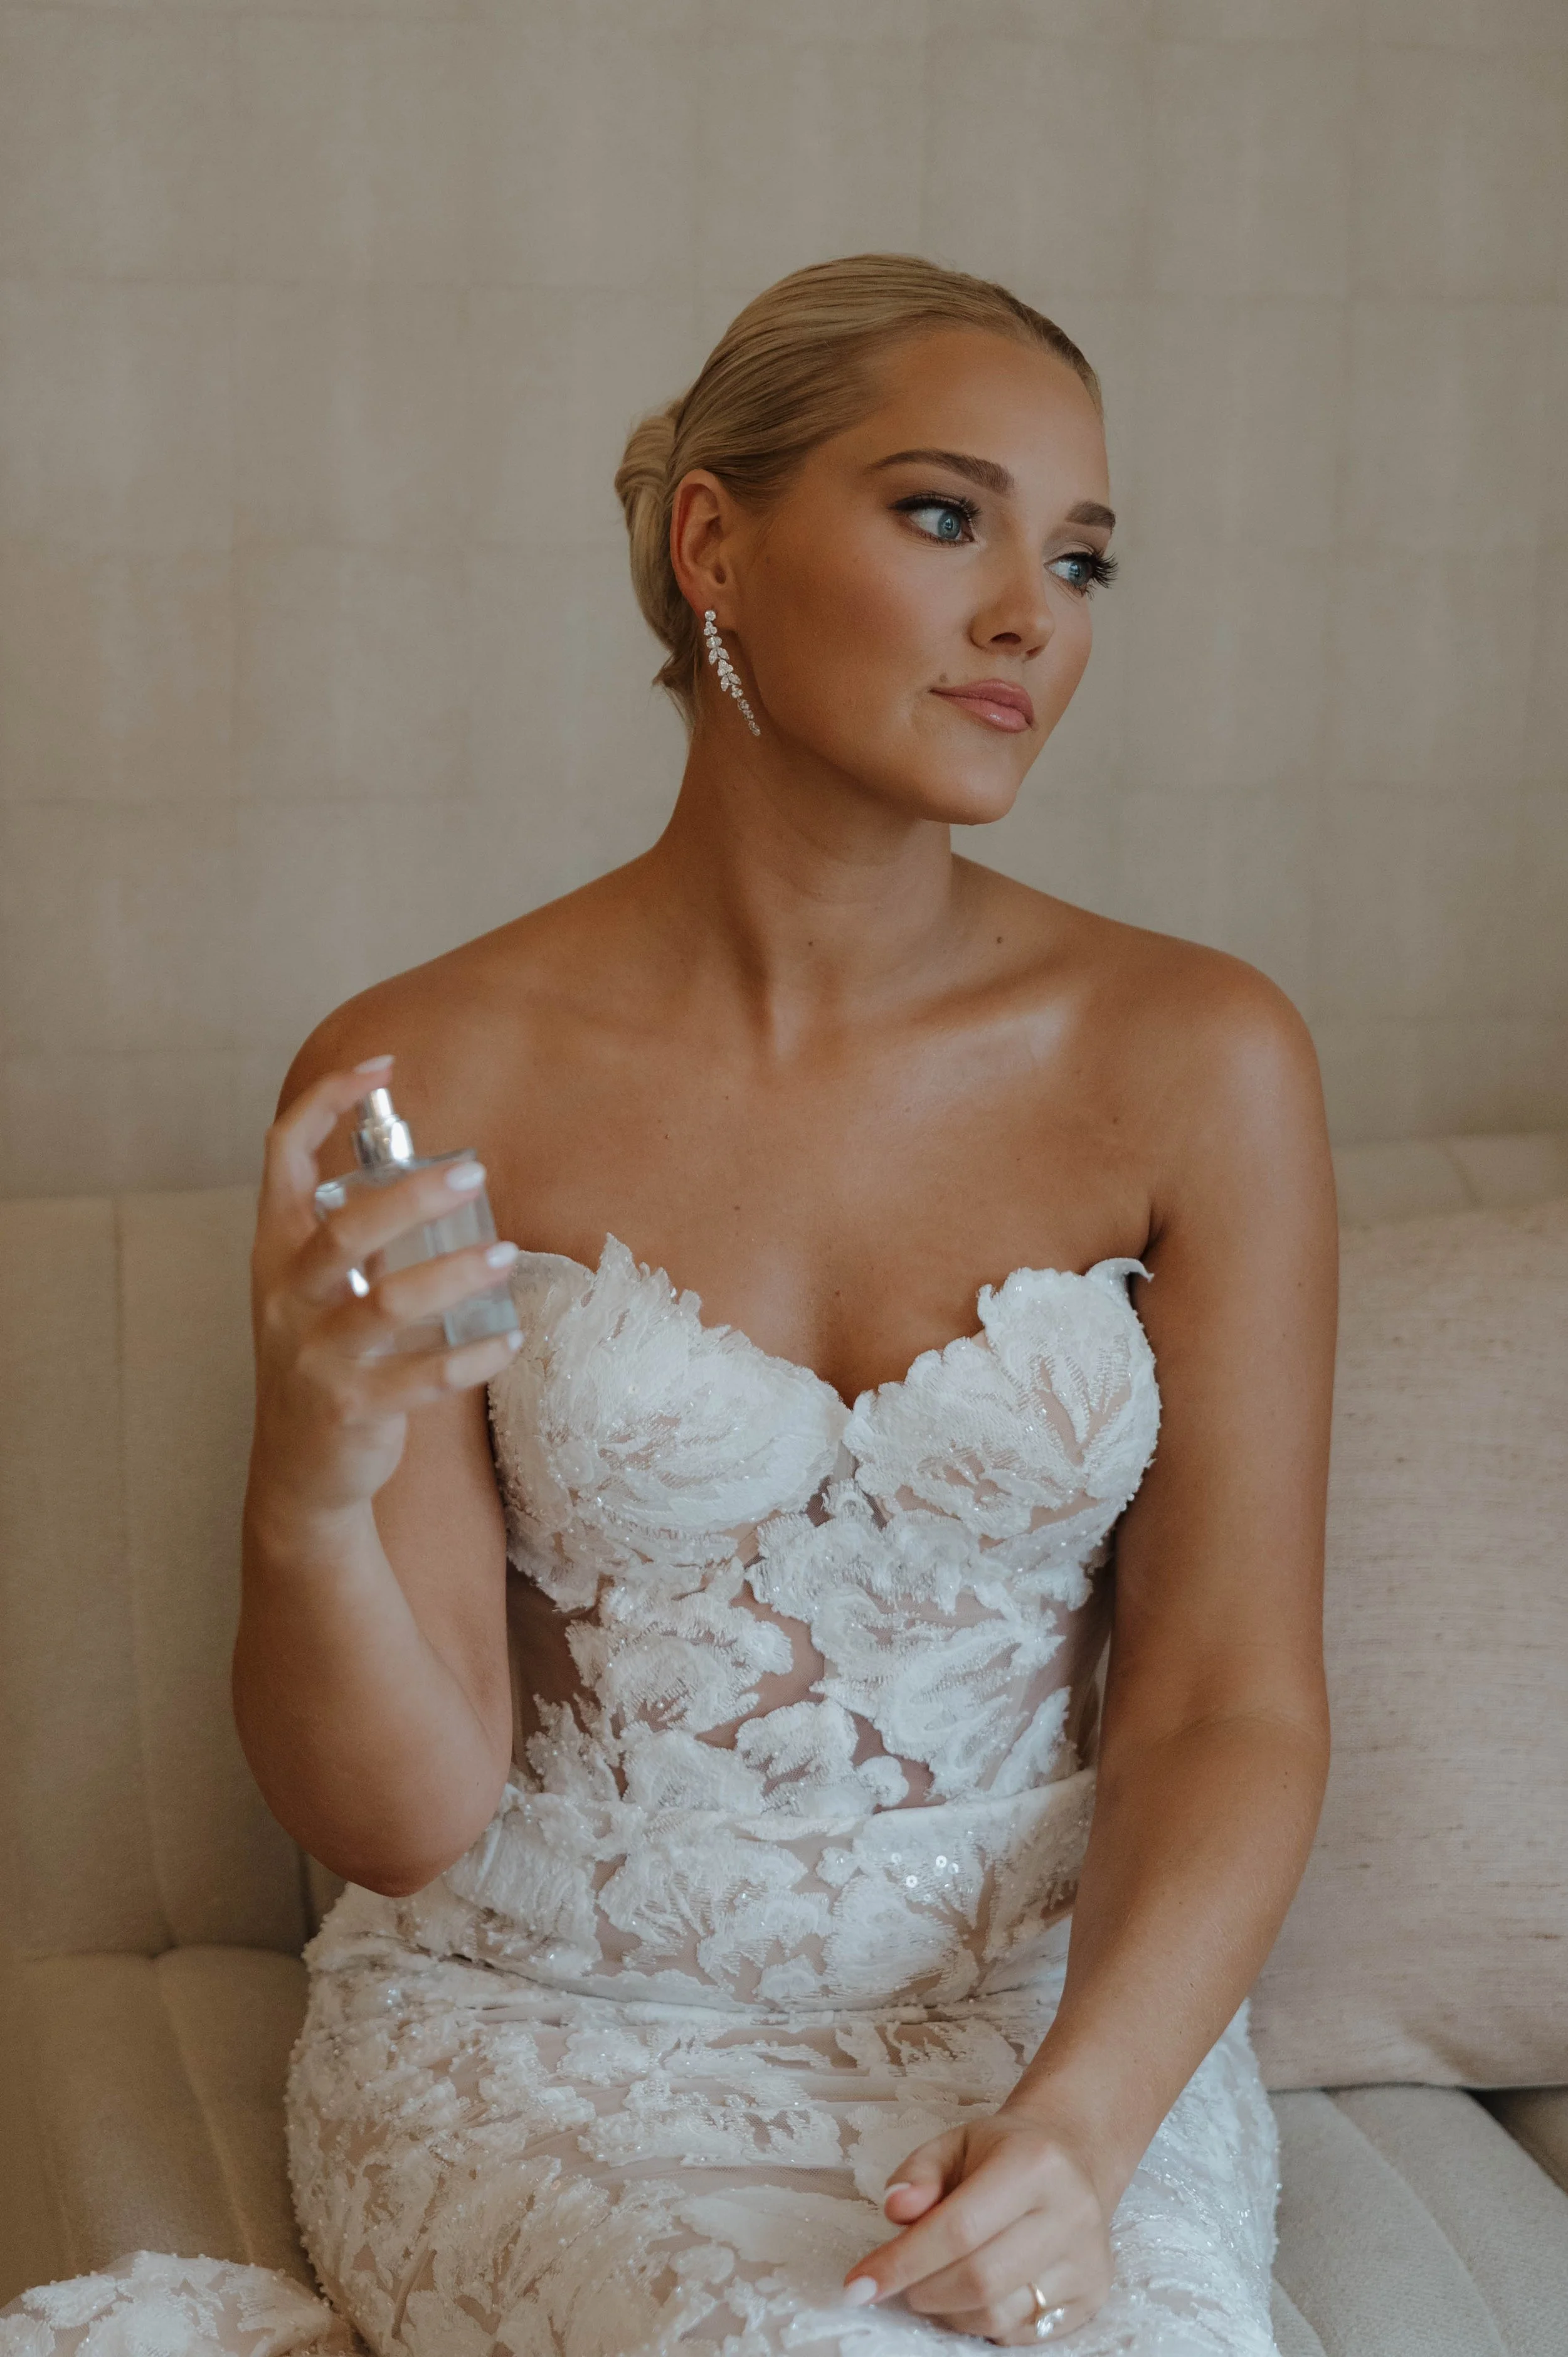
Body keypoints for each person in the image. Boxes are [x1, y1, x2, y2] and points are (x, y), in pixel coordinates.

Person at [0, 254, 1336, 2357]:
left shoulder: (1203, 1057)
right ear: (714, 537)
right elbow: (403, 1813)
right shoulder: (425, 1070)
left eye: (1078, 556)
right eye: (939, 514)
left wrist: (1081, 2120)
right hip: (545, 2027)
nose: (1029, 614)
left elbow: (1227, 1699)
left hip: (1038, 2033)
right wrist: (308, 1493)